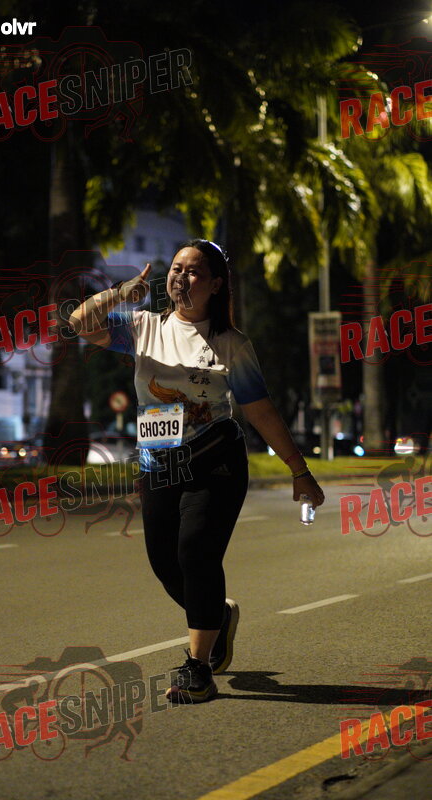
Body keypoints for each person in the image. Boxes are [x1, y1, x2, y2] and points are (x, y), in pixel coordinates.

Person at [69, 239, 324, 703]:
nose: (180, 277)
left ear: (216, 285)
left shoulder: (232, 343)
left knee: (196, 553)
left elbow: (260, 410)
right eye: (175, 269)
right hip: (158, 462)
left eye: (193, 271)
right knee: (165, 564)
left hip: (215, 460)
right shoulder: (144, 326)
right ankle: (216, 616)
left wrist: (298, 470)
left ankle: (198, 666)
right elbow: (79, 322)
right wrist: (120, 293)